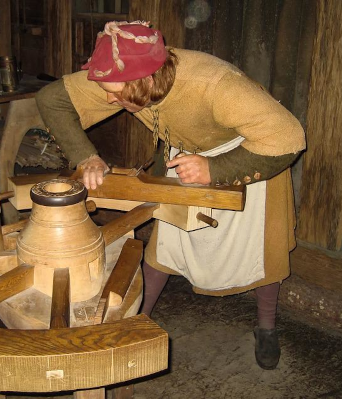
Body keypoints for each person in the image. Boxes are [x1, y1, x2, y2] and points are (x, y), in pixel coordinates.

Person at [35, 21, 306, 370]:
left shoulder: (216, 85)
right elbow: (52, 99)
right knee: (166, 244)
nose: (108, 100)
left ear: (147, 80)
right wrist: (86, 156)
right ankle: (135, 320)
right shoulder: (127, 75)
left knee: (260, 251)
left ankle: (267, 327)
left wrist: (216, 169)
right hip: (188, 156)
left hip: (249, 153)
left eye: (116, 94)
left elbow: (288, 137)